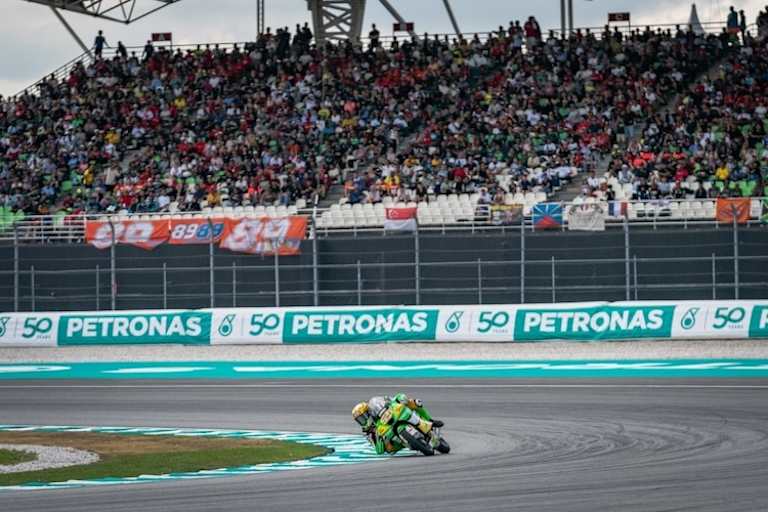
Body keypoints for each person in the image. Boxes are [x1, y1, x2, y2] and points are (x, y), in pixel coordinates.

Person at [352, 394, 444, 454]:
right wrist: (374, 433)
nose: (363, 420)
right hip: (393, 441)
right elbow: (379, 451)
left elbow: (388, 399)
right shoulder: (369, 432)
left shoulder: (375, 408)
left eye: (363, 417)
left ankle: (430, 420)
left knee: (414, 402)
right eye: (360, 420)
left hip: (393, 416)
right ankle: (406, 442)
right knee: (388, 449)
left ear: (368, 412)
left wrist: (392, 400)